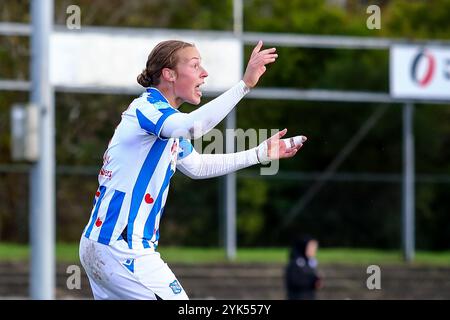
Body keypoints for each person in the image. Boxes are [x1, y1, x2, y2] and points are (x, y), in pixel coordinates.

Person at [79, 39, 307, 300]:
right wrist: (244, 85)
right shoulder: (148, 109)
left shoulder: (164, 121)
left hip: (106, 245)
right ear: (169, 74)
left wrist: (259, 153)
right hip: (122, 248)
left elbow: (197, 166)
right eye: (195, 65)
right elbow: (192, 127)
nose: (204, 73)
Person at [285, 235, 322, 300]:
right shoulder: (295, 263)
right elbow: (294, 281)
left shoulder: (310, 263)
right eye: (311, 247)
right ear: (304, 247)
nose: (314, 250)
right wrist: (312, 281)